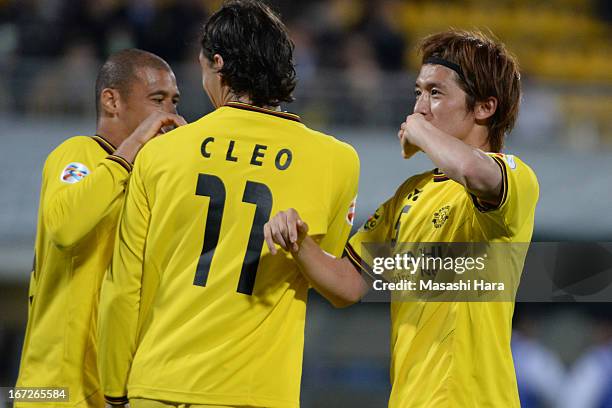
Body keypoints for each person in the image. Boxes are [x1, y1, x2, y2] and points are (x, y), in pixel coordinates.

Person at [97, 1, 359, 408]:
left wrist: (114, 390)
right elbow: (336, 282)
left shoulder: (160, 153)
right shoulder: (337, 161)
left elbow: (125, 287)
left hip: (160, 384)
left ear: (217, 63)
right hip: (257, 392)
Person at [265, 30, 539, 407]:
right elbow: (348, 284)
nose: (419, 107)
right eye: (417, 93)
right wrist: (299, 243)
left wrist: (421, 132)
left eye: (436, 93)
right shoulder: (411, 192)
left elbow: (475, 173)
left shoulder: (514, 177)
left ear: (484, 107)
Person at [15, 49, 185, 408]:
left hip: (112, 391)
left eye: (174, 102)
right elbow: (64, 226)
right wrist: (132, 147)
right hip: (54, 390)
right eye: (158, 100)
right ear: (112, 100)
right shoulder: (80, 154)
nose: (169, 114)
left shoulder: (145, 183)